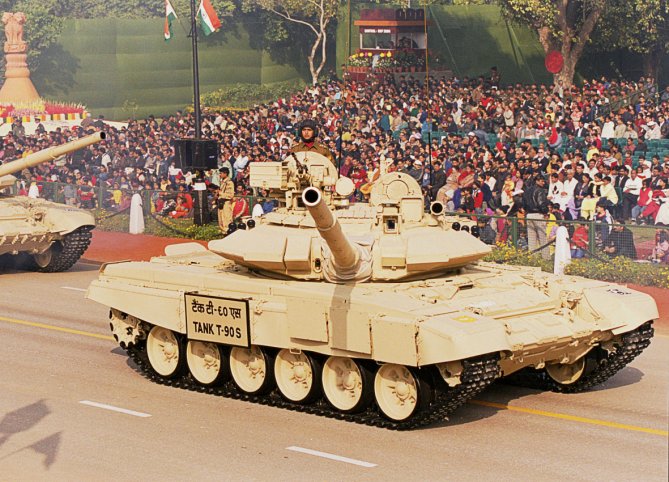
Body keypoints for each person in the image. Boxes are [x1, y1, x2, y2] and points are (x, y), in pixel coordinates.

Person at [217, 167, 235, 233]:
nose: (220, 175)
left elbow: (230, 195)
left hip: (226, 204)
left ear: (225, 173)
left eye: (221, 173)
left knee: (227, 220)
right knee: (221, 220)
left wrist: (220, 193)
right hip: (221, 203)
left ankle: (227, 234)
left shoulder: (229, 183)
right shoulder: (222, 182)